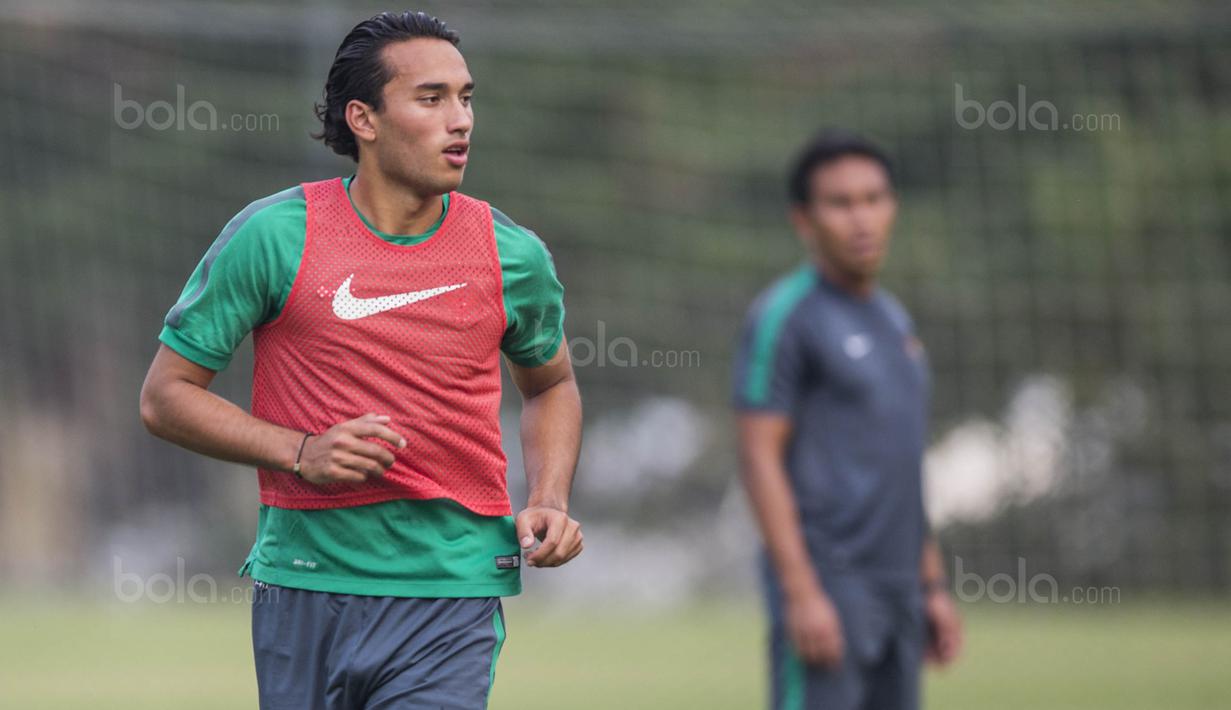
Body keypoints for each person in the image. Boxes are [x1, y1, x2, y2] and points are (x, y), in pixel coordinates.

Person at [139, 11, 583, 709]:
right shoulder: (273, 236)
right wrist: (301, 450)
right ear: (364, 119)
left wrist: (550, 498)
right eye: (430, 99)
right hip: (305, 581)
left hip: (451, 590)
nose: (459, 120)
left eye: (465, 98)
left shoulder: (511, 253)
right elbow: (166, 398)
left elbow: (551, 383)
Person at [733, 131, 962, 710]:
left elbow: (903, 462)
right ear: (804, 220)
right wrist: (802, 592)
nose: (861, 218)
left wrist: (930, 584)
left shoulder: (895, 321)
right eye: (840, 203)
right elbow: (759, 456)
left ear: (893, 207)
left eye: (873, 198)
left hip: (900, 590)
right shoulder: (785, 317)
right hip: (831, 584)